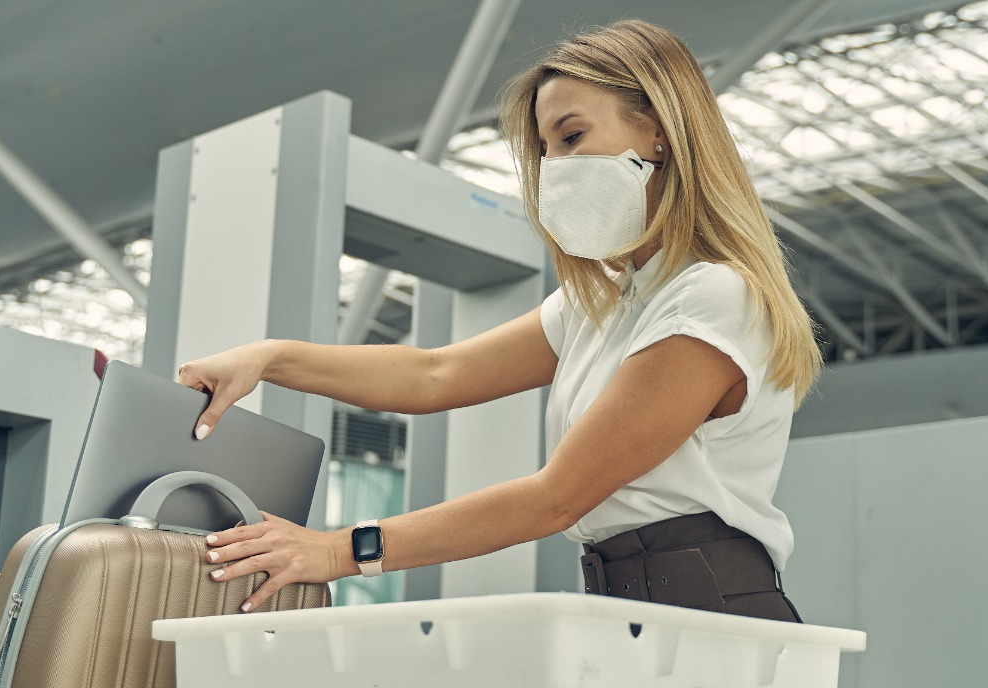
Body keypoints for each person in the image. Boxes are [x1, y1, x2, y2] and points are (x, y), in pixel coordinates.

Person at [177, 20, 821, 631]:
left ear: (658, 130)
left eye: (571, 137)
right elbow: (435, 374)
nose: (555, 170)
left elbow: (557, 497)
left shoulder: (712, 295)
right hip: (629, 604)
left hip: (715, 611)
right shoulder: (600, 305)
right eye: (545, 151)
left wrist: (341, 551)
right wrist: (272, 358)